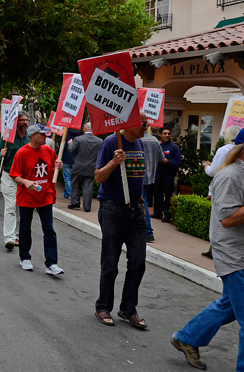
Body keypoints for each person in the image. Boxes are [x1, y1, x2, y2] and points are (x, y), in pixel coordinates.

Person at [170, 125, 244, 371]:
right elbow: (228, 219)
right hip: (240, 259)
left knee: (231, 305)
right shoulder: (230, 175)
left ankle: (186, 337)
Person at [94, 112, 149, 330]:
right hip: (113, 211)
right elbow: (98, 176)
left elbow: (139, 177)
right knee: (110, 263)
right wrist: (114, 162)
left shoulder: (140, 144)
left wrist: (142, 203)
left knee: (138, 262)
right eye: (144, 124)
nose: (147, 127)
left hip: (136, 212)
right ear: (132, 124)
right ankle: (103, 306)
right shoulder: (111, 143)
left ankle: (128, 309)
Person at [9, 124, 64, 275]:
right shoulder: (22, 153)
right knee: (25, 228)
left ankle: (52, 263)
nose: (46, 137)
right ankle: (25, 257)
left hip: (44, 196)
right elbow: (15, 175)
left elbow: (53, 168)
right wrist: (26, 182)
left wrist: (58, 165)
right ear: (33, 135)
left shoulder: (48, 150)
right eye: (43, 134)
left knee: (49, 229)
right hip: (27, 196)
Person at [201, 125, 241, 258]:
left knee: (217, 220)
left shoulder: (224, 150)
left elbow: (213, 171)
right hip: (239, 188)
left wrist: (206, 167)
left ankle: (214, 249)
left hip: (221, 187)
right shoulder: (242, 150)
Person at [0, 112, 30, 250]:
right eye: (22, 120)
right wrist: (1, 154)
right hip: (9, 176)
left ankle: (17, 235)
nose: (25, 122)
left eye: (26, 120)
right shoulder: (7, 138)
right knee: (10, 207)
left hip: (23, 179)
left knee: (21, 207)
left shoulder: (30, 139)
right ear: (17, 123)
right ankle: (9, 238)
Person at [67, 123, 103, 212]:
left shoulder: (78, 139)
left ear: (85, 129)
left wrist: (70, 144)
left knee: (75, 184)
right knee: (88, 187)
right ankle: (87, 207)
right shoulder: (99, 141)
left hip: (78, 166)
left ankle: (75, 203)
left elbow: (71, 151)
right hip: (91, 167)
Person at [152, 128, 182, 223]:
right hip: (157, 175)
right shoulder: (158, 146)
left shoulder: (174, 147)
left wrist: (168, 162)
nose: (167, 135)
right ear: (160, 134)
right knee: (157, 195)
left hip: (168, 176)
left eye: (169, 133)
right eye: (165, 133)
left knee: (168, 196)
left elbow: (178, 162)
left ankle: (167, 215)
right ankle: (157, 212)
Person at [140, 128, 163, 242]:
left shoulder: (137, 140)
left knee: (142, 202)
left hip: (139, 176)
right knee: (142, 201)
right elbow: (161, 158)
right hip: (151, 176)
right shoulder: (155, 140)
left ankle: (148, 232)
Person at [61, 128, 82, 200]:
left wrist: (59, 156)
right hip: (76, 159)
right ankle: (66, 194)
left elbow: (62, 146)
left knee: (67, 178)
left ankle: (71, 193)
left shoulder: (66, 134)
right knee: (74, 178)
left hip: (66, 158)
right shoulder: (80, 135)